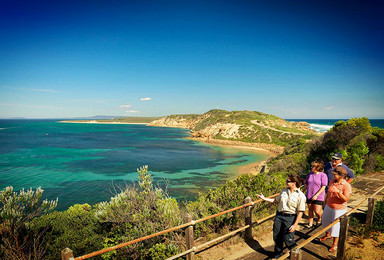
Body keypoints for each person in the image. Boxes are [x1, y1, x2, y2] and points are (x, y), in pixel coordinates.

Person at [257, 175, 306, 259]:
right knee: (277, 236)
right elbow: (276, 201)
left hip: (290, 218)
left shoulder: (300, 196)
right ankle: (278, 255)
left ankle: (296, 254)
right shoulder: (284, 191)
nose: (286, 182)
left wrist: (295, 225)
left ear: (294, 183)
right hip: (279, 216)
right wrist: (264, 198)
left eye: (288, 181)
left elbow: (300, 212)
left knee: (288, 239)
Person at [320, 166, 352, 253]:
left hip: (339, 209)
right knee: (325, 221)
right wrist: (325, 202)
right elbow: (328, 193)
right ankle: (327, 234)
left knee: (335, 226)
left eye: (335, 174)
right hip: (329, 206)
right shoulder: (332, 181)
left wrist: (338, 192)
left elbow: (346, 199)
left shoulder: (346, 185)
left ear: (341, 176)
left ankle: (335, 244)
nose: (333, 175)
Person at [303, 160, 327, 228]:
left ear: (318, 167)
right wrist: (302, 192)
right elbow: (306, 184)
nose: (311, 167)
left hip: (319, 196)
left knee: (317, 211)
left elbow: (323, 186)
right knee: (310, 210)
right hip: (309, 194)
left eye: (313, 166)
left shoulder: (323, 175)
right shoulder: (310, 175)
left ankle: (319, 218)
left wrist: (316, 195)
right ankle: (310, 223)